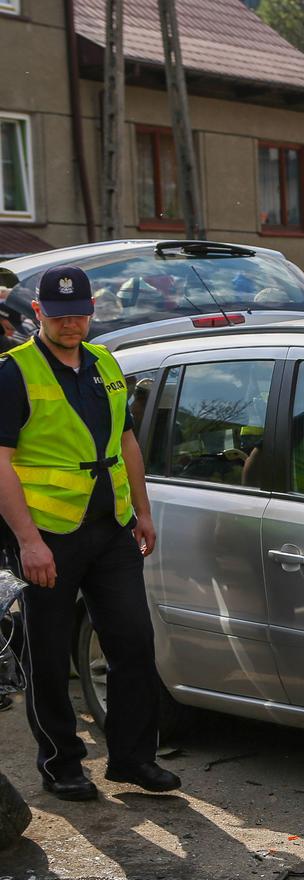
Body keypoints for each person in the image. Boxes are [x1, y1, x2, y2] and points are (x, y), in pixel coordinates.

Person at [0, 267, 178, 800]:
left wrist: (142, 512)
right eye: (59, 316)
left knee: (133, 643)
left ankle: (131, 759)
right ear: (38, 315)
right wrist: (28, 541)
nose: (71, 324)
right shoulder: (12, 373)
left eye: (79, 313)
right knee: (49, 654)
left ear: (92, 308)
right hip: (47, 535)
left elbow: (125, 442)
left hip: (112, 528)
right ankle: (62, 765)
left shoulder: (104, 362)